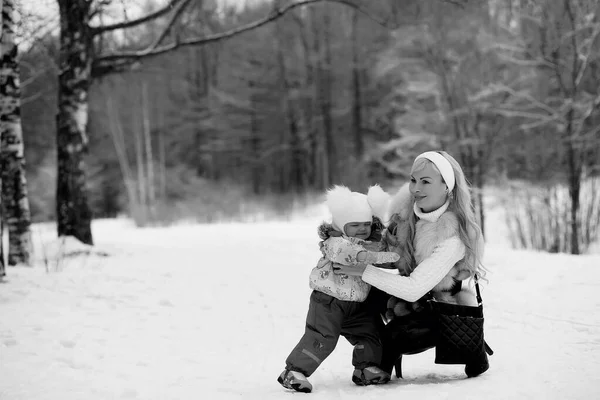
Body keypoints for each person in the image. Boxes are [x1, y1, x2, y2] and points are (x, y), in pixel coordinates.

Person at [328, 151, 489, 379]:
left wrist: (364, 271)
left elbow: (415, 288)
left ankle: (474, 352)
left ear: (447, 187)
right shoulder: (404, 214)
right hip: (404, 296)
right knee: (348, 304)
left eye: (425, 182)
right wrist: (346, 242)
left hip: (437, 305)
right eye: (413, 180)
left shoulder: (454, 235)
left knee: (394, 338)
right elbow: (386, 256)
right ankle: (372, 347)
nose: (416, 189)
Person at [278, 185, 401, 393]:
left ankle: (365, 369)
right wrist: (383, 257)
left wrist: (396, 259)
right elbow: (356, 255)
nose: (362, 229)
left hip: (356, 305)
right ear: (342, 224)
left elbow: (383, 258)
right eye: (354, 225)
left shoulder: (370, 243)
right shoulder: (335, 242)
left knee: (370, 334)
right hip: (328, 302)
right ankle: (294, 372)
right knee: (322, 338)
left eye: (366, 224)